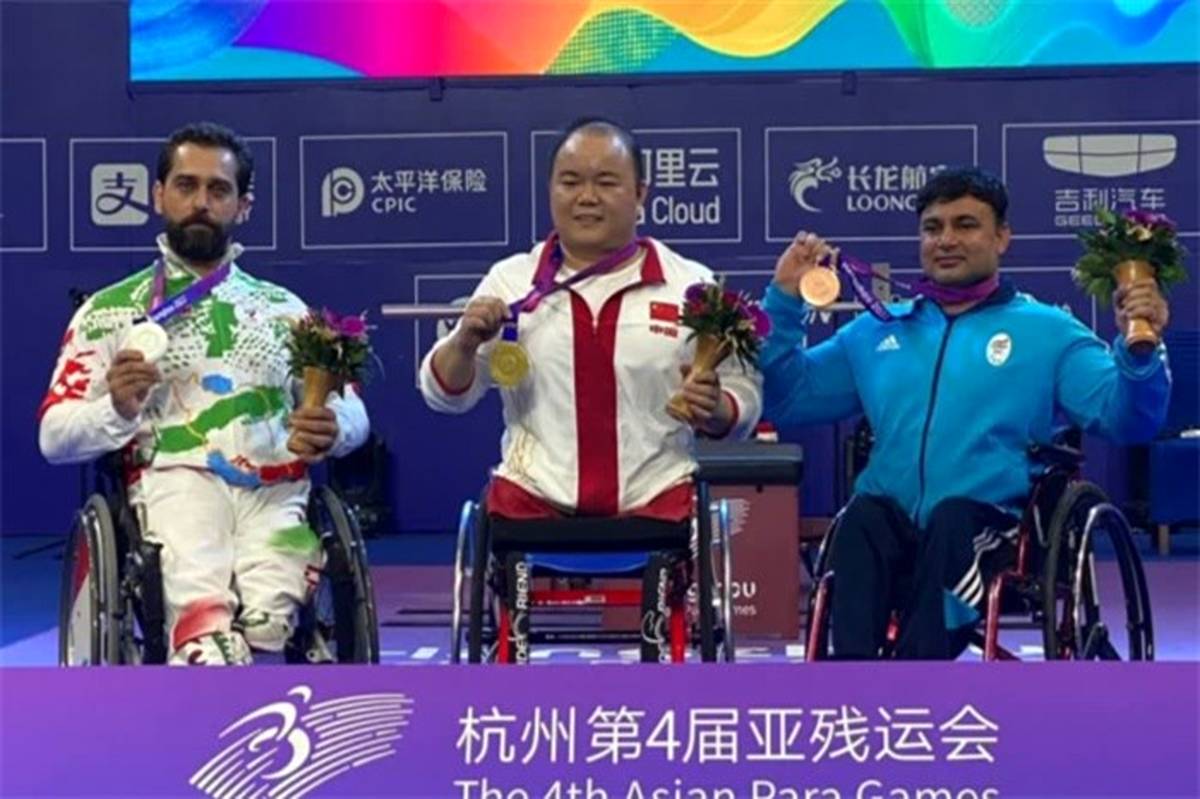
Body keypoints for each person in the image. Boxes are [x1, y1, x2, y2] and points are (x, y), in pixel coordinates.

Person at [760, 166, 1171, 659]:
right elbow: (788, 396)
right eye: (933, 228)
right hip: (893, 529)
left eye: (966, 225)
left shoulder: (1048, 332)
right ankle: (853, 682)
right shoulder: (878, 332)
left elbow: (1127, 420)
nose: (946, 240)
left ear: (1002, 238)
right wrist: (783, 302)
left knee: (953, 523)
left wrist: (1140, 355)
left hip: (991, 530)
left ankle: (916, 683)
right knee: (861, 519)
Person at [420, 118, 762, 660]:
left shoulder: (690, 285)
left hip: (656, 503)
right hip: (532, 502)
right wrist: (463, 342)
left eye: (606, 182)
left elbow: (742, 394)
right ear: (550, 189)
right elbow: (445, 393)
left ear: (641, 194)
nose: (586, 197)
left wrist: (718, 407)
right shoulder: (510, 281)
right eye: (570, 181)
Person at [39, 122, 369, 665]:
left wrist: (336, 427)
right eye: (186, 185)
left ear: (243, 206)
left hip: (276, 493)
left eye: (218, 190)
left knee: (271, 625)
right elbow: (54, 437)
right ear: (158, 195)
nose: (200, 202)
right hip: (175, 488)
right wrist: (115, 409)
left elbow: (349, 408)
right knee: (208, 642)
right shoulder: (109, 312)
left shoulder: (285, 311)